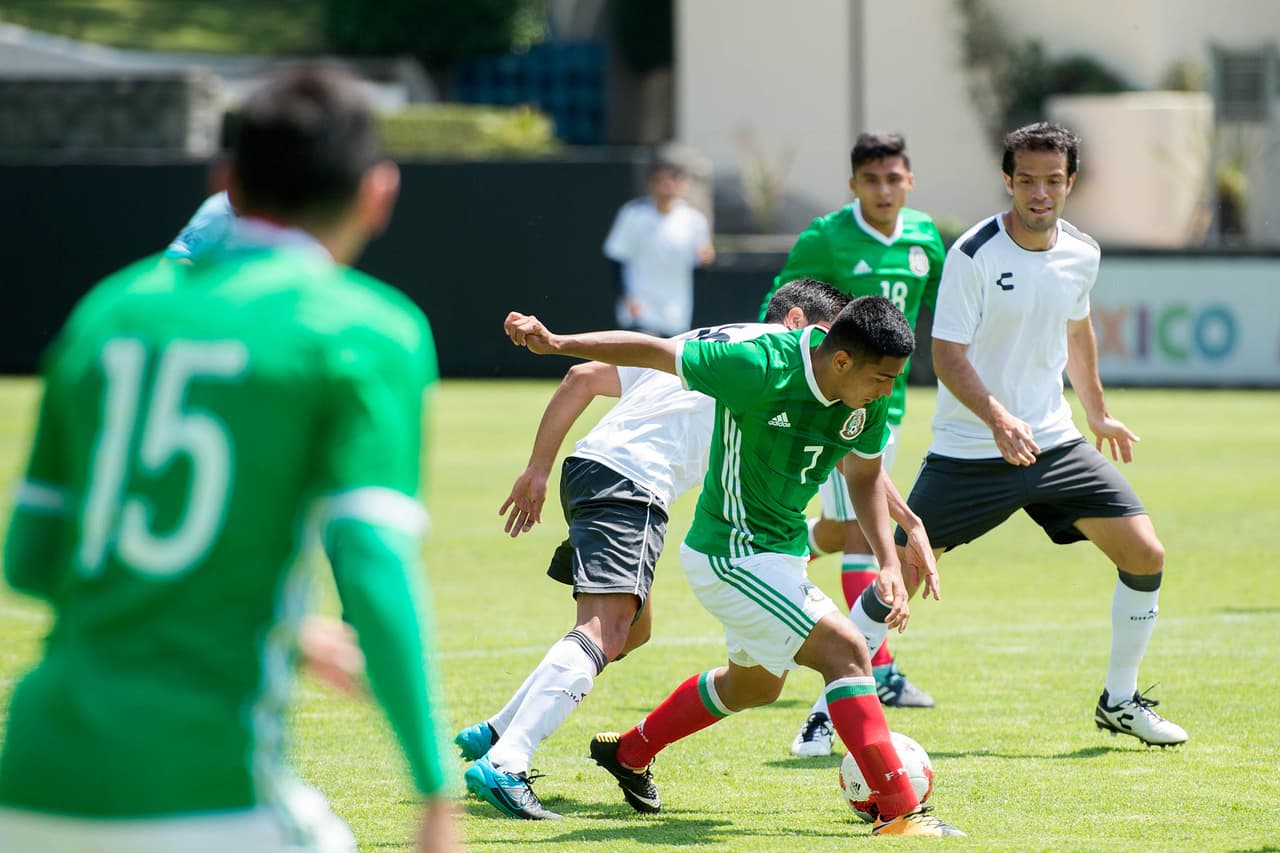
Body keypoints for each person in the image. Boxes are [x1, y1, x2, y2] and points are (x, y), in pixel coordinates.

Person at [0, 65, 461, 852]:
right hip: (206, 787)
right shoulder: (366, 329)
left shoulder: (108, 311)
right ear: (377, 193)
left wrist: (257, 612)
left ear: (226, 184)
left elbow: (30, 559)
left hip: (33, 776)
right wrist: (433, 784)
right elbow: (374, 564)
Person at [504, 296, 965, 837]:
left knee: (755, 686)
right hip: (731, 553)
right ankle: (900, 812)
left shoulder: (870, 393)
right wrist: (559, 342)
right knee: (846, 651)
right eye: (882, 379)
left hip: (780, 553)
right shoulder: (758, 364)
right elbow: (654, 351)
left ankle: (628, 752)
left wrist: (890, 557)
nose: (888, 391)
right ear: (841, 362)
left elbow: (863, 476)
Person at [456, 280, 851, 821]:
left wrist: (540, 468)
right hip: (633, 483)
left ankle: (497, 729)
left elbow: (581, 378)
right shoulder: (770, 364)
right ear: (798, 322)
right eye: (831, 341)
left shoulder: (704, 341)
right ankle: (508, 762)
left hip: (592, 469)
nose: (836, 361)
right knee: (606, 630)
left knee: (631, 631)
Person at [894, 121, 1186, 748]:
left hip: (1054, 444)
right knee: (903, 572)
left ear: (1070, 183)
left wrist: (1098, 413)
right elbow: (946, 356)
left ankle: (1121, 701)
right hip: (971, 448)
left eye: (1053, 180)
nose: (1040, 192)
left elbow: (1077, 333)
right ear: (1007, 180)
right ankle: (831, 704)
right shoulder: (973, 254)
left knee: (1145, 553)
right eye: (1026, 179)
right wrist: (997, 418)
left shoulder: (1082, 252)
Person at [758, 134, 945, 758]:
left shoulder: (925, 237)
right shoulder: (825, 237)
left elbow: (941, 309)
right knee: (865, 535)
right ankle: (880, 666)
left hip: (886, 408)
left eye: (894, 178)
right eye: (872, 179)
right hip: (836, 405)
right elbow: (780, 306)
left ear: (910, 182)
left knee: (845, 530)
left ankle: (799, 550)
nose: (884, 190)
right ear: (854, 184)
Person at [603, 159, 715, 338]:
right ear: (650, 184)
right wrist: (626, 297)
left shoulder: (695, 220)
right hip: (640, 309)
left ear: (682, 185)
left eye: (673, 179)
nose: (667, 185)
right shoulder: (633, 215)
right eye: (660, 180)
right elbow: (616, 259)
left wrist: (705, 261)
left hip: (676, 313)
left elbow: (699, 269)